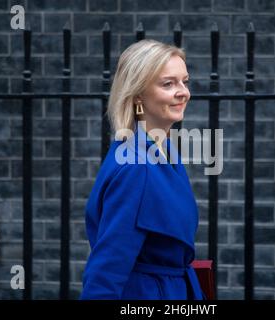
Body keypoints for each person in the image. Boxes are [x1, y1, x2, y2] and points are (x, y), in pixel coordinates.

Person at [80, 39, 204, 300]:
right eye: (168, 84)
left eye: (185, 81)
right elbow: (108, 267)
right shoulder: (136, 167)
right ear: (138, 95)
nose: (183, 92)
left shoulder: (163, 152)